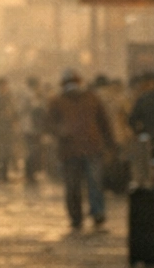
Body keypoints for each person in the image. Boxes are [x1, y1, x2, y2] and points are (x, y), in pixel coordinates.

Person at [47, 69, 112, 231]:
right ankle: (77, 217)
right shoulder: (57, 102)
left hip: (91, 148)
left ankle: (97, 213)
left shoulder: (92, 98)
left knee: (93, 183)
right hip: (70, 151)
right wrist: (60, 131)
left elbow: (104, 123)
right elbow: (48, 124)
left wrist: (111, 144)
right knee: (74, 186)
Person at [22, 76, 49, 187]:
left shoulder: (30, 96)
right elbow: (37, 111)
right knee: (33, 151)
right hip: (31, 129)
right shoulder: (31, 96)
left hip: (30, 128)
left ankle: (30, 174)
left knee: (32, 151)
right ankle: (30, 174)